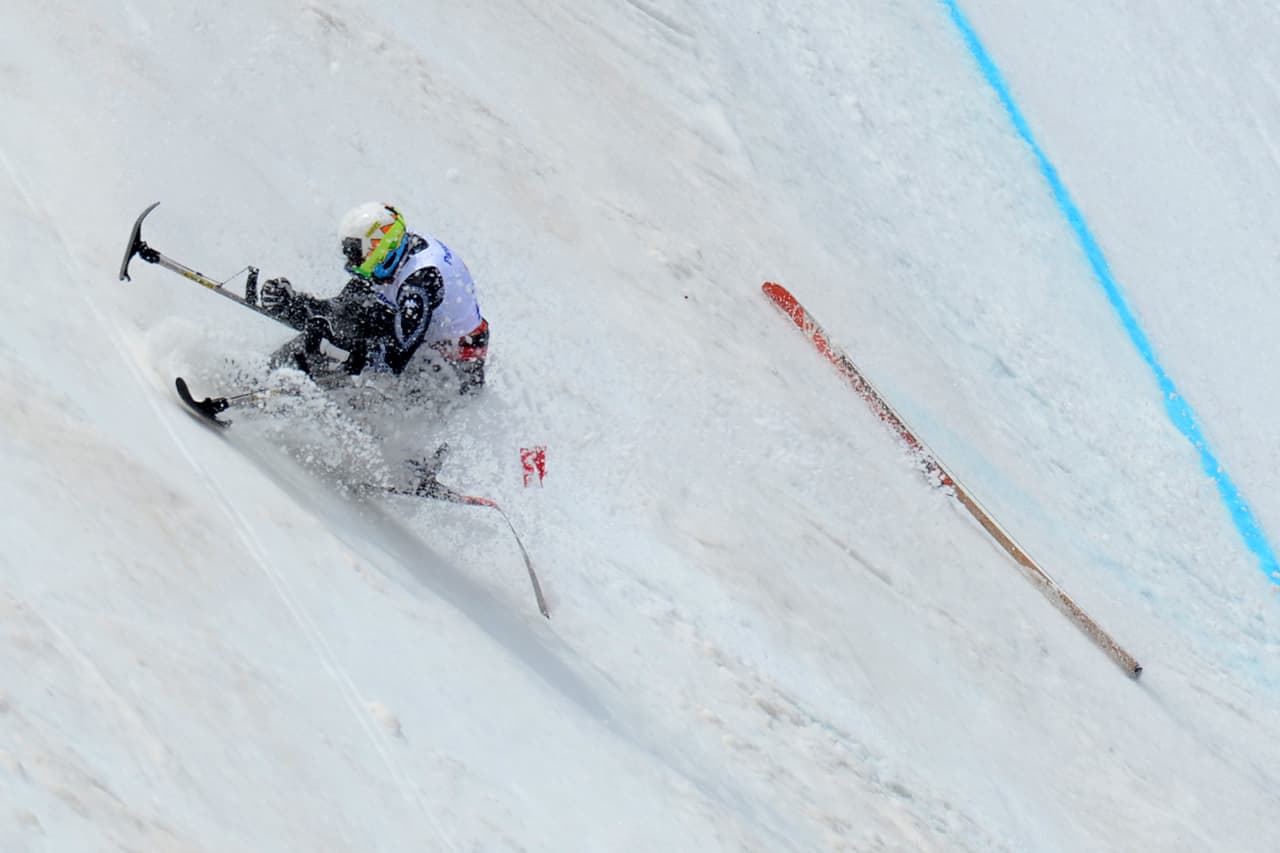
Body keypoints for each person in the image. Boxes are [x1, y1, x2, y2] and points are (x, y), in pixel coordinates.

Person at [260, 202, 489, 395]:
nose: (352, 263)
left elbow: (393, 361)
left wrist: (339, 348)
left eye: (356, 254)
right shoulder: (393, 256)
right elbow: (341, 311)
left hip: (452, 366)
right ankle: (267, 374)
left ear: (378, 249)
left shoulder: (418, 285)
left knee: (341, 344)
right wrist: (297, 305)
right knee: (342, 326)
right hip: (419, 337)